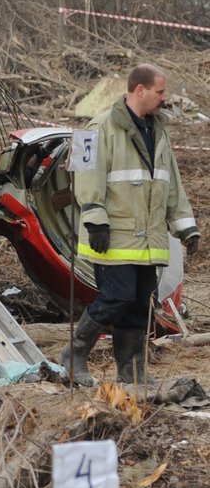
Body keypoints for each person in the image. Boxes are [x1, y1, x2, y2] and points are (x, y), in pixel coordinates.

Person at [60, 63, 199, 386]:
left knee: (139, 303)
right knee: (117, 297)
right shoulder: (96, 128)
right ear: (140, 90)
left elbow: (171, 184)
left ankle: (131, 372)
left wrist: (186, 227)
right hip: (111, 236)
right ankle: (73, 356)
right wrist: (94, 219)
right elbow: (83, 175)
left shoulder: (159, 130)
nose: (164, 99)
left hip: (148, 240)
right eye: (160, 92)